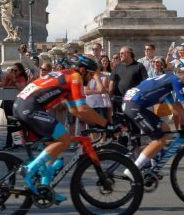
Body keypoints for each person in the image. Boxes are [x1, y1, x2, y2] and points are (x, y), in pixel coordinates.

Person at [13, 55, 114, 202]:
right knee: (65, 139)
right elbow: (83, 109)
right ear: (82, 70)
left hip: (23, 106)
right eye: (91, 74)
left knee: (53, 149)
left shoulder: (66, 75)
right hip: (30, 108)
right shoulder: (75, 77)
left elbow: (74, 110)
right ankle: (29, 169)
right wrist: (106, 124)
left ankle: (45, 188)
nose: (92, 78)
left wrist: (96, 124)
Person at [122, 61, 184, 177]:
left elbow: (175, 108)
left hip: (133, 104)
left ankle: (150, 162)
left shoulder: (167, 82)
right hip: (134, 106)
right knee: (159, 140)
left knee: (164, 128)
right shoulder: (176, 80)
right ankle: (133, 169)